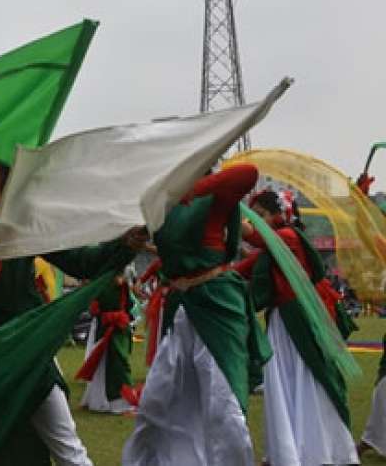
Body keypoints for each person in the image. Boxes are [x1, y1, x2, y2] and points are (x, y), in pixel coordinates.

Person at [0, 152, 137, 465]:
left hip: (27, 356)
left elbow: (84, 262)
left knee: (68, 450)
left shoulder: (24, 222)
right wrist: (17, 207)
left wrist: (126, 245)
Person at [122, 164, 268, 466]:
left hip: (217, 306)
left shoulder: (214, 195)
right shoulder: (160, 204)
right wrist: (136, 236)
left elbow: (248, 173)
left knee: (223, 406)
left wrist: (192, 188)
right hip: (181, 308)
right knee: (156, 400)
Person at [242, 189, 358, 465]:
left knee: (302, 378)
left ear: (278, 215)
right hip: (285, 321)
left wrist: (236, 218)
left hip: (294, 322)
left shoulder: (286, 237)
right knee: (287, 380)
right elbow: (247, 265)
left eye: (260, 216)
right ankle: (291, 448)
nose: (256, 221)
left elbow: (256, 240)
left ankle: (310, 449)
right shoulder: (279, 242)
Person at [75, 272, 137, 414]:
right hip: (108, 326)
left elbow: (127, 303)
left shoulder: (118, 284)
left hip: (115, 326)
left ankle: (112, 400)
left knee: (112, 360)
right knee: (110, 360)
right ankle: (117, 402)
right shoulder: (104, 283)